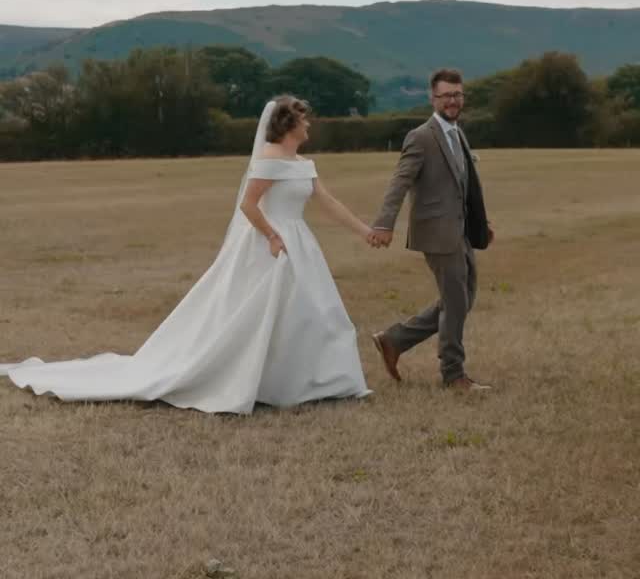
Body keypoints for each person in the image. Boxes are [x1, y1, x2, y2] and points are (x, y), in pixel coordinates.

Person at [0, 97, 372, 413]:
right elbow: (249, 204)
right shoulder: (270, 159)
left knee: (314, 312)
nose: (309, 126)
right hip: (269, 245)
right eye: (304, 120)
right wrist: (272, 236)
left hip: (300, 243)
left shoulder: (303, 164)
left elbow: (328, 202)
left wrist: (364, 231)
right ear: (289, 125)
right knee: (261, 316)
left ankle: (318, 380)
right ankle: (264, 381)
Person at [369, 68, 494, 391]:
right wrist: (384, 223)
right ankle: (453, 375)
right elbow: (400, 181)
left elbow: (465, 187)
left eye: (457, 95)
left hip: (461, 230)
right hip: (437, 233)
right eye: (446, 95)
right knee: (455, 302)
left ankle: (393, 340)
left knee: (462, 299)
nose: (453, 101)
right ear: (433, 98)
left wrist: (481, 223)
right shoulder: (422, 136)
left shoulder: (457, 132)